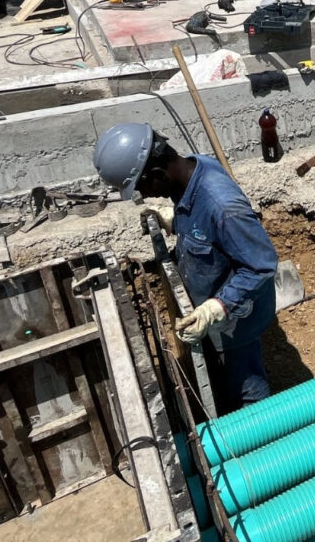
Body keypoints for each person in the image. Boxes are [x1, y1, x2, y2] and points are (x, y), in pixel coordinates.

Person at [93, 123, 277, 411]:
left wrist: (216, 308)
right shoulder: (191, 170)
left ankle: (263, 432)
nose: (145, 195)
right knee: (223, 376)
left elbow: (261, 266)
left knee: (247, 390)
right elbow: (206, 229)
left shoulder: (223, 207)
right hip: (214, 304)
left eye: (142, 187)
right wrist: (176, 219)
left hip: (235, 320)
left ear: (157, 174)